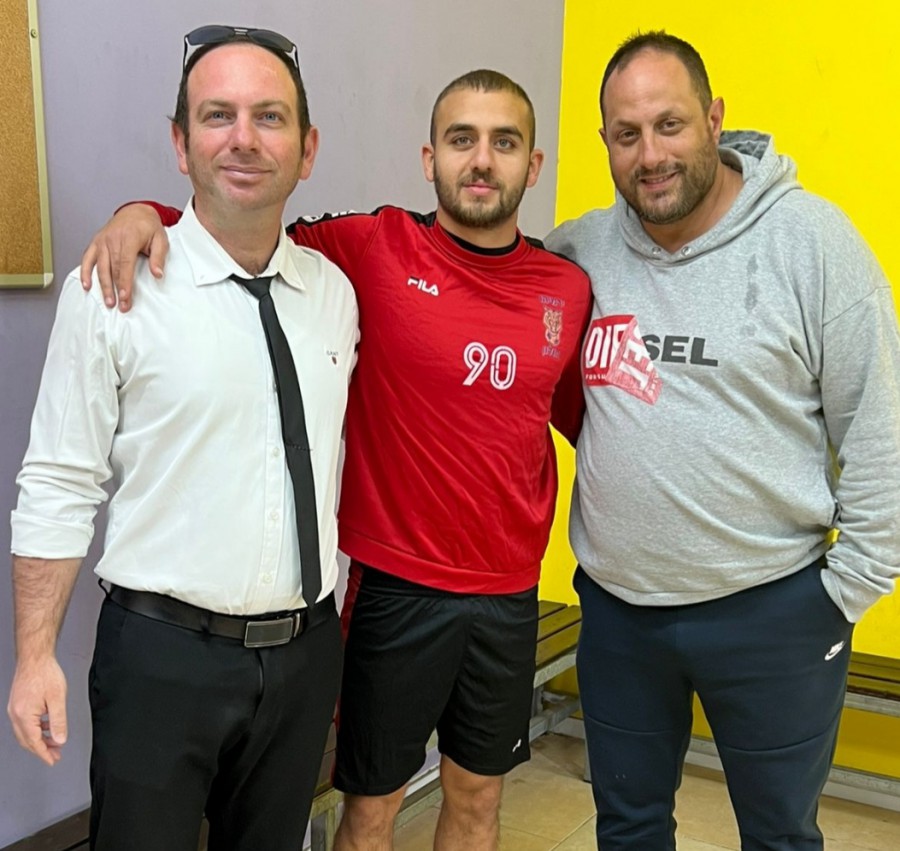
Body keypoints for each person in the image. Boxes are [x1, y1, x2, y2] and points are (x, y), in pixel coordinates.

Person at [78, 70, 592, 850]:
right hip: (395, 589)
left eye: (504, 142)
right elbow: (243, 228)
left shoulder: (566, 288)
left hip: (510, 592)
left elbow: (586, 418)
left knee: (479, 798)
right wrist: (141, 212)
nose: (482, 160)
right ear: (430, 158)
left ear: (535, 163)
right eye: (462, 139)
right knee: (372, 808)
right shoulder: (373, 245)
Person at [544, 30, 900, 850]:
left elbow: (878, 432)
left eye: (669, 125)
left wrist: (840, 595)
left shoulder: (813, 244)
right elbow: (488, 283)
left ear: (714, 119)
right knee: (627, 828)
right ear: (605, 142)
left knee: (779, 836)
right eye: (627, 134)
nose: (650, 155)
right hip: (620, 613)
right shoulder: (582, 250)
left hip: (775, 613)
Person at [8, 25, 358, 851]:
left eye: (269, 117)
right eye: (217, 115)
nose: (244, 138)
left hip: (305, 654)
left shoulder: (335, 292)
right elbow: (59, 479)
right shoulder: (112, 287)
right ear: (179, 142)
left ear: (307, 149)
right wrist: (34, 655)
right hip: (161, 660)